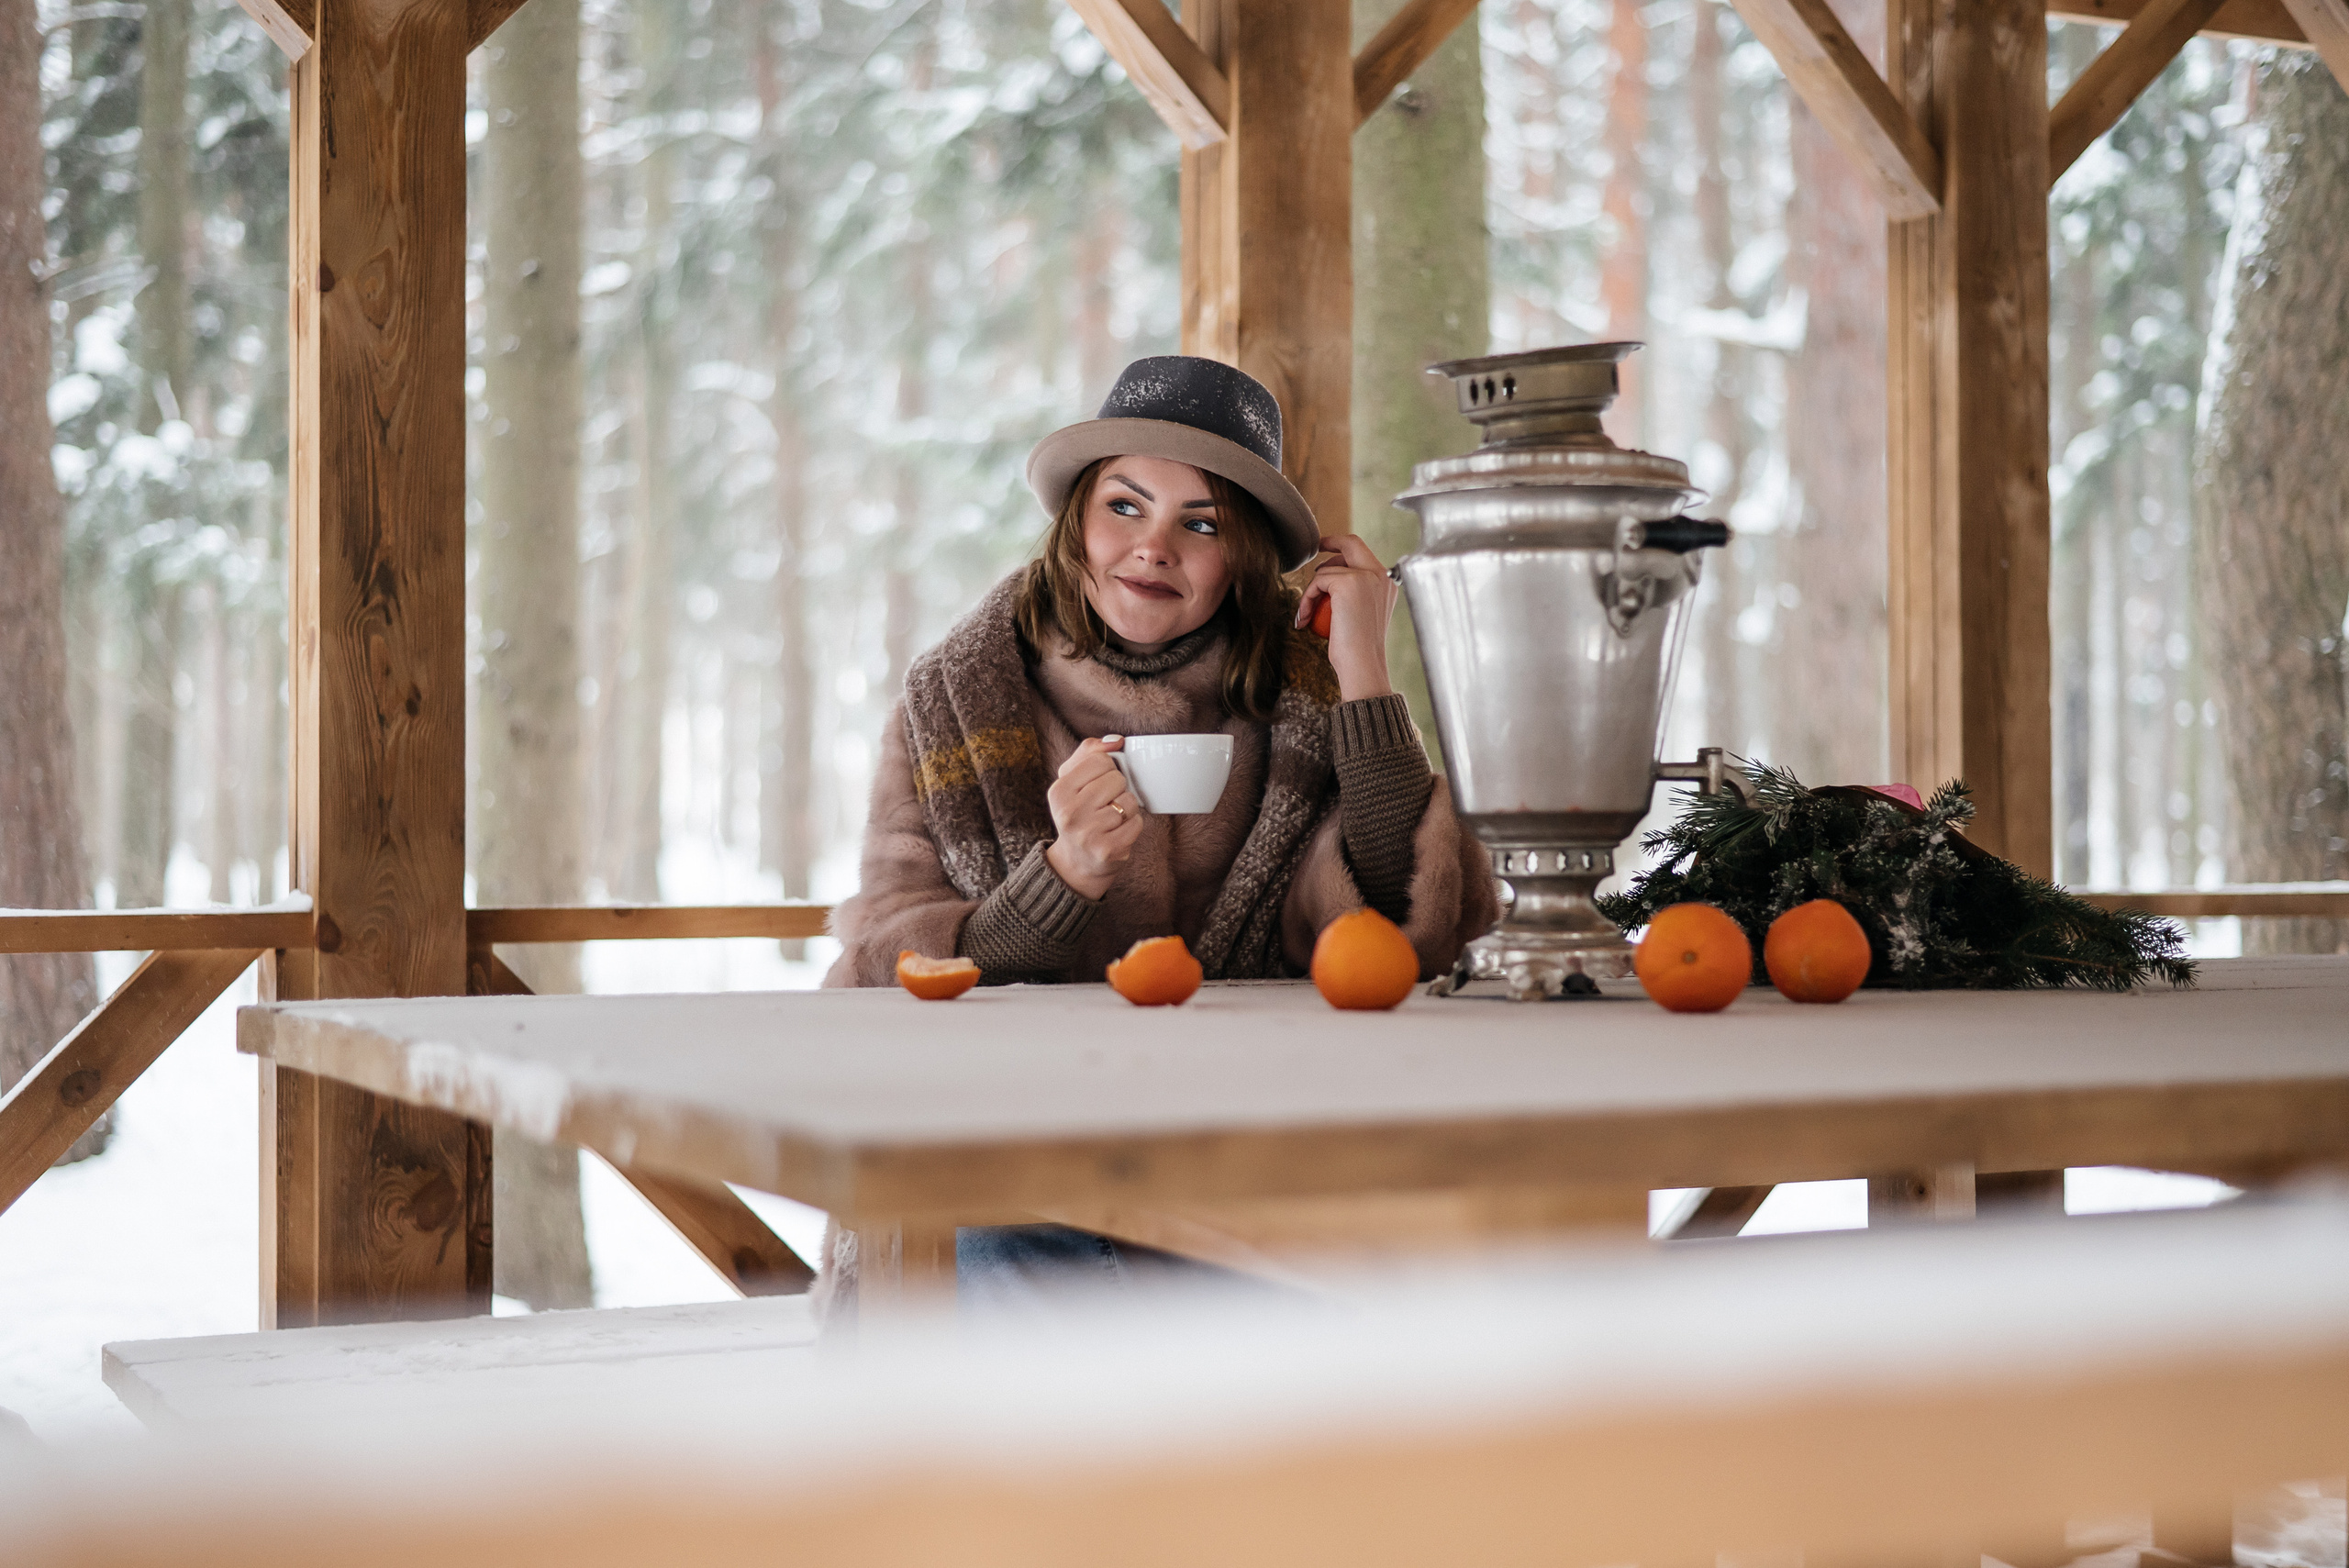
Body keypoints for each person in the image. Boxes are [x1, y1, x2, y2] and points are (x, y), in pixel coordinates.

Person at [817, 355, 1497, 1318]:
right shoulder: (959, 698)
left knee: (1384, 1267)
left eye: (1201, 522)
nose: (1153, 548)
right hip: (1012, 1144)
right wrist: (1062, 879)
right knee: (1019, 1251)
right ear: (1076, 522)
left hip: (1246, 1143)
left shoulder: (1301, 690)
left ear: (1242, 553)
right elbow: (894, 955)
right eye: (1125, 507)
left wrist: (1362, 670)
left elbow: (1404, 923)